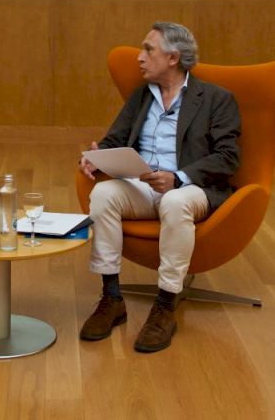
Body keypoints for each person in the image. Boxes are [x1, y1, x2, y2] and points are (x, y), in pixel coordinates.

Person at [77, 22, 241, 353]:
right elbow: (115, 138)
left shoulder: (216, 99)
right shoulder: (142, 96)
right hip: (143, 185)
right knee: (104, 194)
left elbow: (228, 158)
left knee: (175, 202)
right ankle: (112, 299)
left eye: (148, 50)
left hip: (191, 188)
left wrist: (178, 177)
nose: (140, 57)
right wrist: (96, 157)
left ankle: (165, 305)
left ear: (173, 58)